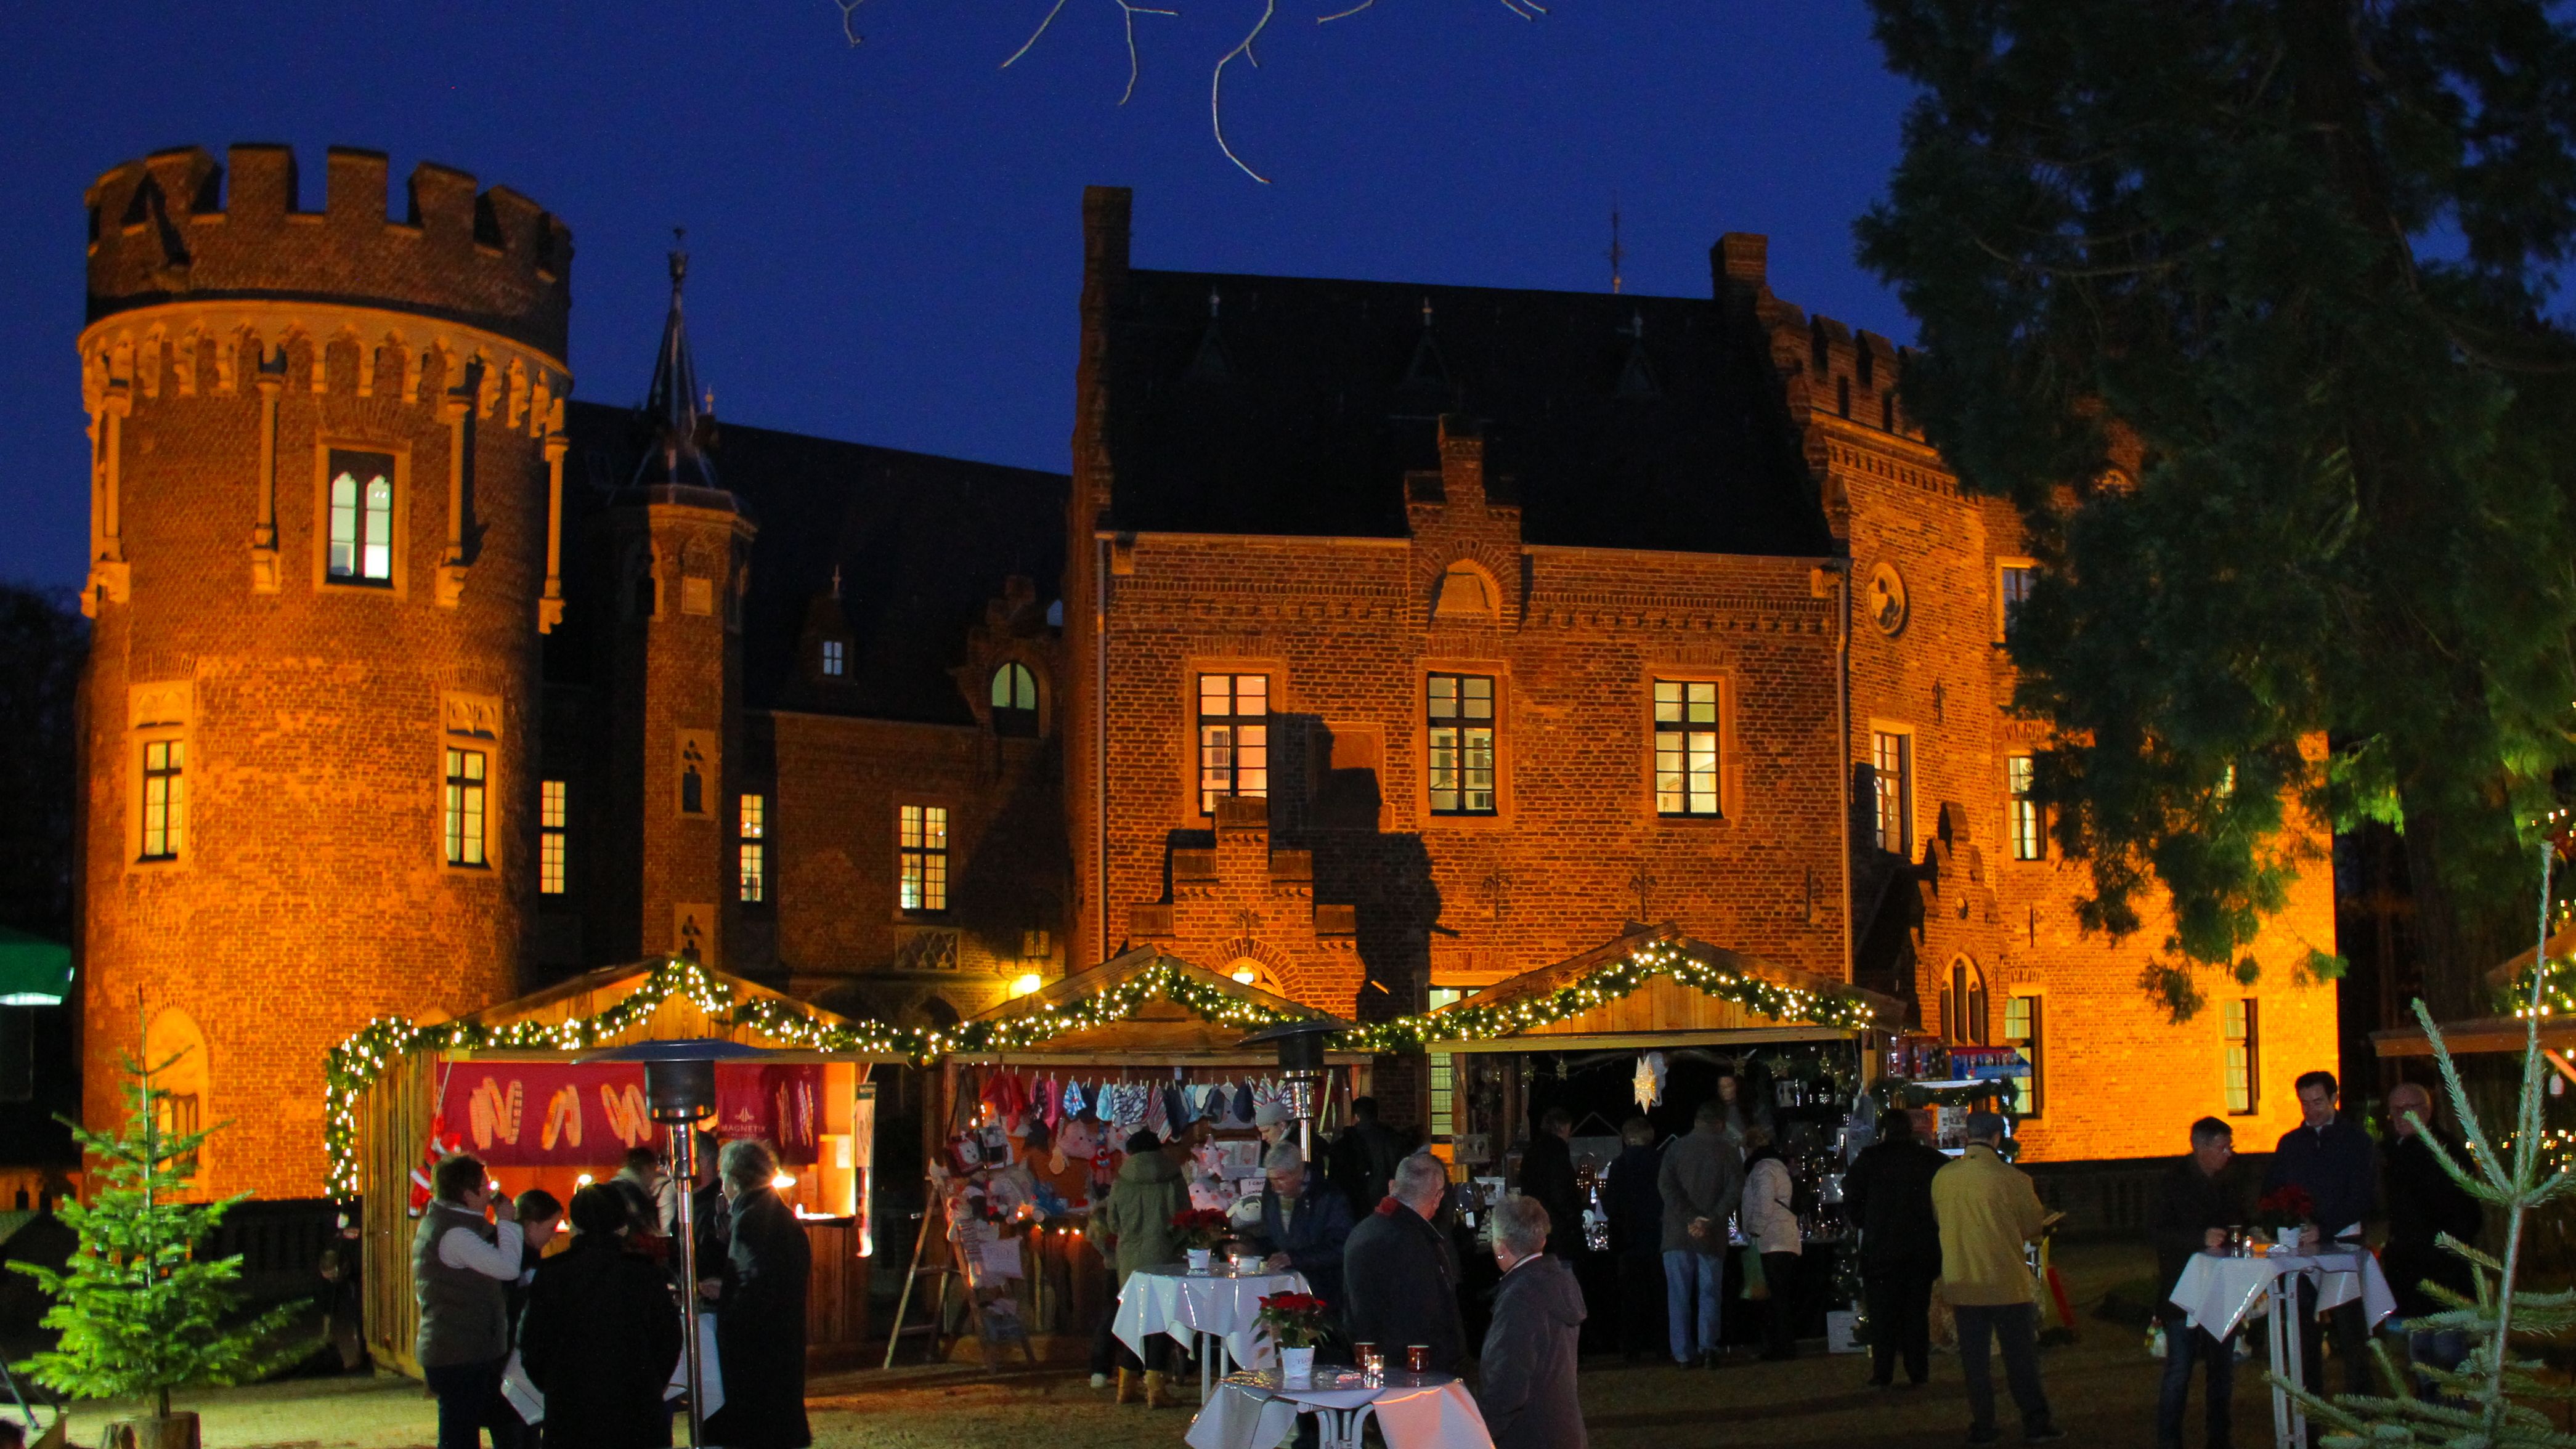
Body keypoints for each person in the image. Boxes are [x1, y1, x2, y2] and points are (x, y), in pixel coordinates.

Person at [517, 1183, 685, 1449]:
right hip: (636, 1406)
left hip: (571, 1408)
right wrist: (651, 1383)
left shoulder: (553, 1274)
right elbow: (668, 1339)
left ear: (575, 1226)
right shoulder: (643, 1274)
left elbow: (533, 1343)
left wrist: (554, 1385)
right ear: (622, 1226)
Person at [1931, 1111, 2063, 1445]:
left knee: (1975, 1363)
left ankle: (1983, 1425)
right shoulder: (2013, 1179)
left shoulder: (1944, 1178)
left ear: (1967, 1136)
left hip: (1963, 1281)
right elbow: (2032, 1225)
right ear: (1997, 1137)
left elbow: (1939, 1218)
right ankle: (2035, 1421)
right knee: (2021, 1358)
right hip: (2006, 1282)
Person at [2264, 1070, 2378, 1399]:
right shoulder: (2291, 1143)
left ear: (2334, 1099)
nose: (2311, 1110)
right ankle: (2310, 1402)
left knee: (2350, 1329)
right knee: (2303, 1328)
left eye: (2317, 1102)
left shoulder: (2357, 1141)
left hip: (2343, 1242)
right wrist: (2279, 1223)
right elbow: (2273, 1191)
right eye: (2305, 1103)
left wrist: (2325, 1228)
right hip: (2301, 1245)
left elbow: (2362, 1197)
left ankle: (2362, 1405)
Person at [2153, 1117, 2256, 1449]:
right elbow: (2158, 1232)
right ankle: (2169, 1439)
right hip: (2183, 1287)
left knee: (2222, 1369)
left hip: (2221, 1287)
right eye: (2222, 1148)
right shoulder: (2173, 1182)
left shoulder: (2231, 1179)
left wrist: (2249, 1233)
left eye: (2230, 1147)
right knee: (2180, 1368)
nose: (2229, 1154)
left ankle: (2219, 1437)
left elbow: (2242, 1218)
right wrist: (2199, 1237)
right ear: (2201, 1147)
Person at [702, 1139, 810, 1449]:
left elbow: (752, 1287)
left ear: (734, 1180)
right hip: (783, 1339)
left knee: (758, 1426)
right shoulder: (778, 1214)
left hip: (759, 1347)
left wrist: (726, 1298)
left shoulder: (751, 1219)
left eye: (724, 1178)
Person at [413, 1153, 525, 1449]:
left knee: (467, 1427)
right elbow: (508, 1268)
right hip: (459, 1351)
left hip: (456, 1347)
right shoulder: (456, 1235)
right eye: (484, 1185)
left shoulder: (445, 1223)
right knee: (460, 1435)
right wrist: (507, 1223)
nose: (490, 1191)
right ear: (467, 1193)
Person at [2383, 1081, 2481, 1400]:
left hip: (2443, 1273)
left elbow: (2465, 1215)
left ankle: (2453, 1421)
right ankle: (2431, 1418)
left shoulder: (2444, 1152)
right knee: (2421, 1356)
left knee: (2447, 1355)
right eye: (2395, 1110)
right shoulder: (2397, 1150)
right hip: (2413, 1274)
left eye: (2407, 1109)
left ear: (2426, 1111)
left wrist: (2435, 1250)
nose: (2400, 1116)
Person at [1475, 1195, 1588, 1449]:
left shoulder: (1521, 1299)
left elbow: (1508, 1383)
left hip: (1530, 1435)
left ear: (1500, 1247)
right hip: (1561, 1430)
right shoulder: (1557, 1282)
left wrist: (1479, 1433)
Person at [1843, 1105, 1944, 1387]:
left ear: (1884, 1131)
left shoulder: (1870, 1159)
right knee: (1916, 1313)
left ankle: (1883, 1371)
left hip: (1882, 1249)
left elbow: (1851, 1194)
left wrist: (1865, 1220)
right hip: (1920, 1249)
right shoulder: (1929, 1159)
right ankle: (1918, 1370)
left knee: (1882, 1315)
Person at [1343, 1152, 1469, 1373]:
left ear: (1392, 1186)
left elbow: (1349, 1309)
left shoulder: (1361, 1232)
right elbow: (1430, 1316)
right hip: (1417, 1370)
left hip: (1369, 1364)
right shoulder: (1418, 1243)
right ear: (1438, 1197)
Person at [1092, 1129, 1191, 1406]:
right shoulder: (1173, 1176)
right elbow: (1185, 1217)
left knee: (1134, 1320)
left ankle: (1126, 1386)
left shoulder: (1122, 1179)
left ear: (1131, 1152)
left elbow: (1113, 1223)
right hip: (1165, 1255)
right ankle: (1156, 1389)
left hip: (1130, 1260)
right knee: (1162, 1322)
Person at [1657, 1098, 1744, 1368]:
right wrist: (1709, 1220)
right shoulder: (1728, 1151)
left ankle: (1683, 1354)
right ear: (1720, 1123)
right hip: (1711, 1234)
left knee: (1679, 1296)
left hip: (1677, 1233)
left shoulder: (1675, 1149)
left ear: (1696, 1121)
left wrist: (1689, 1217)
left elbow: (1666, 1187)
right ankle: (1708, 1349)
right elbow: (1734, 1191)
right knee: (1710, 1293)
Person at [1242, 1140, 1354, 1315]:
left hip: (1322, 1294)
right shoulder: (1272, 1194)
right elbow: (1272, 1238)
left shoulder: (1329, 1197)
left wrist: (1295, 1258)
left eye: (1281, 1179)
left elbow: (1341, 1247)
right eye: (1271, 1180)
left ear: (1298, 1172)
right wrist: (1251, 1247)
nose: (1275, 1187)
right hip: (1283, 1292)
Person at [1603, 1117, 1666, 1362]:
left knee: (1631, 1297)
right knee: (1660, 1295)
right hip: (1658, 1237)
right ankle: (1662, 1346)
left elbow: (1610, 1205)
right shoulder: (1661, 1162)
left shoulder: (1619, 1165)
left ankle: (1631, 1349)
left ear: (1627, 1138)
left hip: (1628, 1240)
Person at [1740, 1124, 1802, 1360]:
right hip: (1783, 1238)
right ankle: (1784, 1345)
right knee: (1781, 1297)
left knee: (1774, 1299)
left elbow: (1764, 1204)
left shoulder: (1763, 1169)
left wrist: (1754, 1230)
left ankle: (1779, 1347)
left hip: (1772, 1240)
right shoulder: (1777, 1167)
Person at [1516, 1107, 1582, 1259]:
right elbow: (1560, 1191)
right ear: (1563, 1128)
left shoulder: (1532, 1151)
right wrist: (1573, 1216)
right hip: (1557, 1229)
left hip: (1536, 1224)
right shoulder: (1558, 1152)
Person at [1331, 1097, 1407, 1216]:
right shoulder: (1394, 1140)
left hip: (1355, 1208)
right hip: (1388, 1206)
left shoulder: (1345, 1144)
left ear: (1356, 1117)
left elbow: (1336, 1181)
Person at [608, 1146, 664, 1238]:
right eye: (655, 1169)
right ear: (647, 1168)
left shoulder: (614, 1187)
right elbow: (643, 1230)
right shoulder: (632, 1192)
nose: (656, 1175)